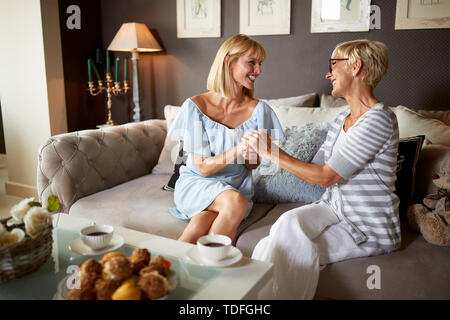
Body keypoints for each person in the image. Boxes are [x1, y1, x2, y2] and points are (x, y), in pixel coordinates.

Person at [243, 39, 400, 299]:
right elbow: (314, 171)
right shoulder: (341, 119)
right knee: (287, 222)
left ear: (355, 66)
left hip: (368, 227)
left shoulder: (379, 119)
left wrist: (271, 151)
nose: (328, 73)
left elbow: (327, 177)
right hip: (333, 209)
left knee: (277, 247)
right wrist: (266, 154)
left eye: (333, 64)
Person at [167, 34, 283, 244]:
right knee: (234, 203)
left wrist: (252, 154)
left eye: (260, 64)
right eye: (252, 62)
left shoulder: (260, 110)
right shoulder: (195, 107)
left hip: (236, 185)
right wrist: (240, 148)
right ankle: (216, 266)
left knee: (199, 225)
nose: (259, 71)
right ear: (228, 61)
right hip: (197, 184)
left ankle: (163, 270)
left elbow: (254, 164)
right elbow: (202, 168)